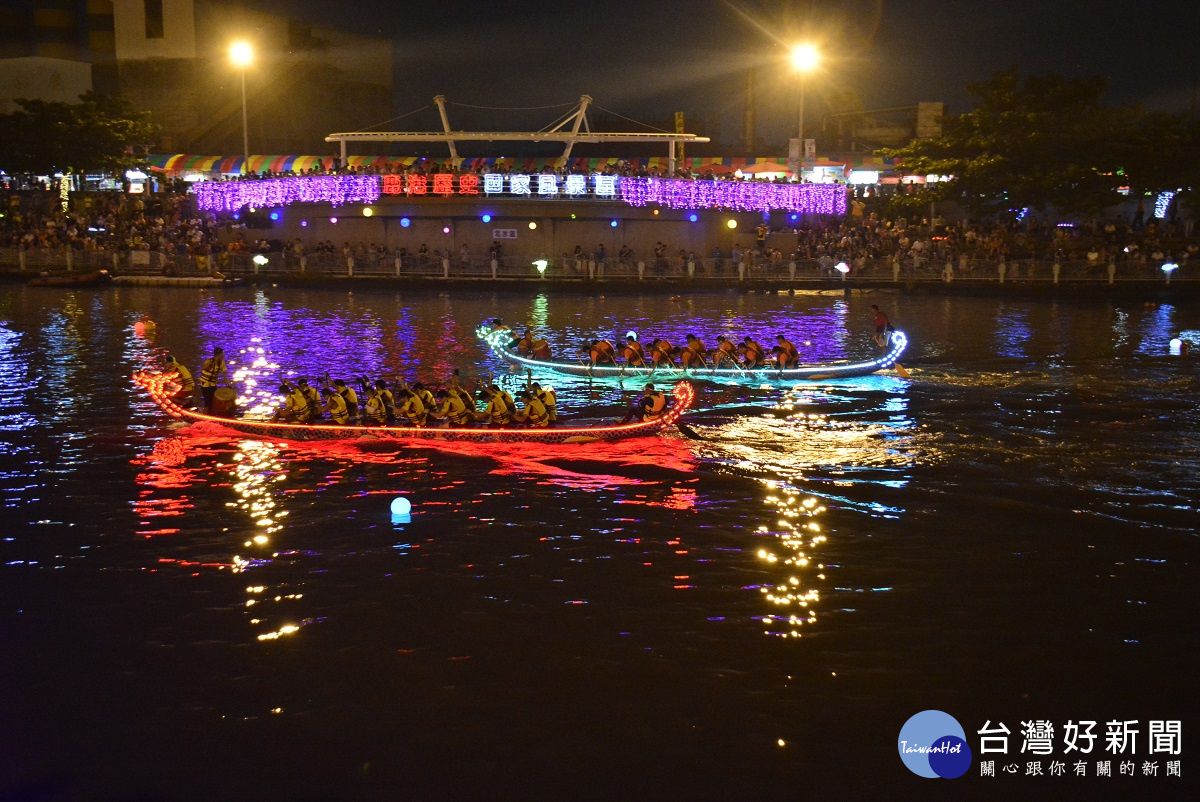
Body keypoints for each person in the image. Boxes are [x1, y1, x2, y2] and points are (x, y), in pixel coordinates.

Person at [198, 346, 227, 412]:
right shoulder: (209, 362)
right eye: (222, 354)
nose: (223, 355)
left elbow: (224, 374)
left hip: (213, 384)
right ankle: (205, 417)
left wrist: (228, 384)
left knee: (213, 401)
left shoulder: (222, 363)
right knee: (207, 401)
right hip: (205, 384)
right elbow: (203, 370)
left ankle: (211, 415)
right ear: (218, 355)